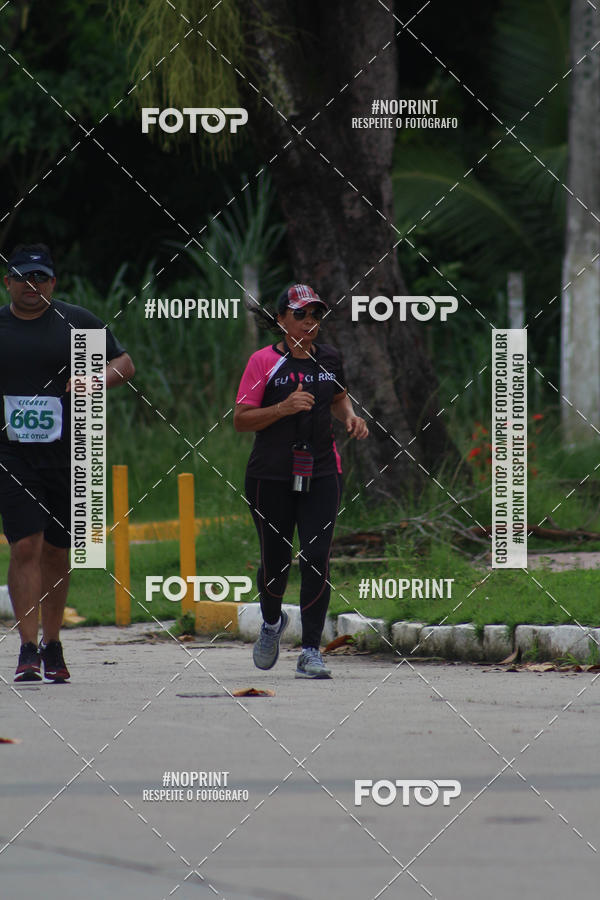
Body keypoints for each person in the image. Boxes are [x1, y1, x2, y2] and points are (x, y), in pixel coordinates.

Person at [1, 244, 135, 683]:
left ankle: (53, 643)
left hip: (71, 451)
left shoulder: (76, 322)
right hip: (12, 454)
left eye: (40, 278)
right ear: (8, 283)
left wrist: (95, 380)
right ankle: (26, 648)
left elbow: (125, 363)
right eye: (22, 277)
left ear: (52, 283)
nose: (31, 285)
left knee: (59, 551)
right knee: (25, 544)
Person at [234, 284, 368, 679]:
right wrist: (283, 407)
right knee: (275, 562)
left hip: (322, 471)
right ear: (280, 319)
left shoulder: (329, 358)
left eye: (315, 316)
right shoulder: (263, 362)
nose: (310, 323)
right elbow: (241, 419)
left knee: (316, 556)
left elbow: (339, 396)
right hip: (269, 475)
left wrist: (350, 417)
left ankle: (311, 650)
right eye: (300, 315)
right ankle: (272, 624)